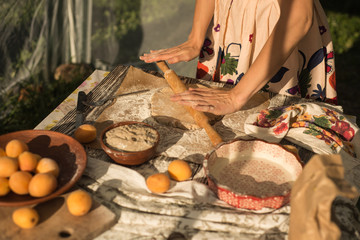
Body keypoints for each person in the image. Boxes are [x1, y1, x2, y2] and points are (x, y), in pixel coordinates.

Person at [140, 0, 336, 116]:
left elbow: (297, 17)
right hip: (228, 25)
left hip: (274, 32)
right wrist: (196, 37)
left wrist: (236, 95)